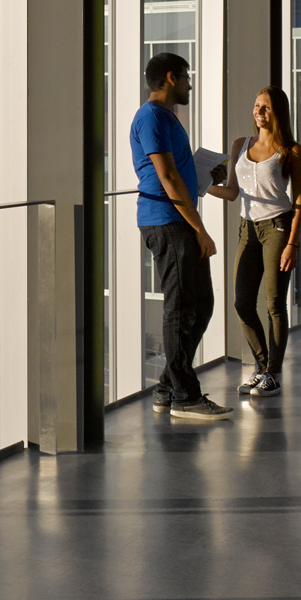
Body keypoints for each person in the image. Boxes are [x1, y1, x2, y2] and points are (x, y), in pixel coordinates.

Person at [133, 53, 232, 421]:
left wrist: (206, 176)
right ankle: (185, 397)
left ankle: (167, 386)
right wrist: (200, 229)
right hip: (168, 222)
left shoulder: (165, 118)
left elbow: (180, 174)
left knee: (201, 304)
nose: (190, 85)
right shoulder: (152, 118)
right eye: (187, 78)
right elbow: (167, 178)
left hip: (177, 220)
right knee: (179, 308)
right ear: (172, 78)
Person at [205, 87, 301, 398]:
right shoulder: (240, 145)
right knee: (242, 302)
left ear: (278, 112)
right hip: (246, 228)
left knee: (274, 303)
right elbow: (233, 191)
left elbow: (299, 200)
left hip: (278, 226)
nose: (259, 111)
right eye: (256, 105)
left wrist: (293, 244)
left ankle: (274, 372)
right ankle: (262, 367)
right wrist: (202, 185)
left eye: (266, 107)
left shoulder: (290, 150)